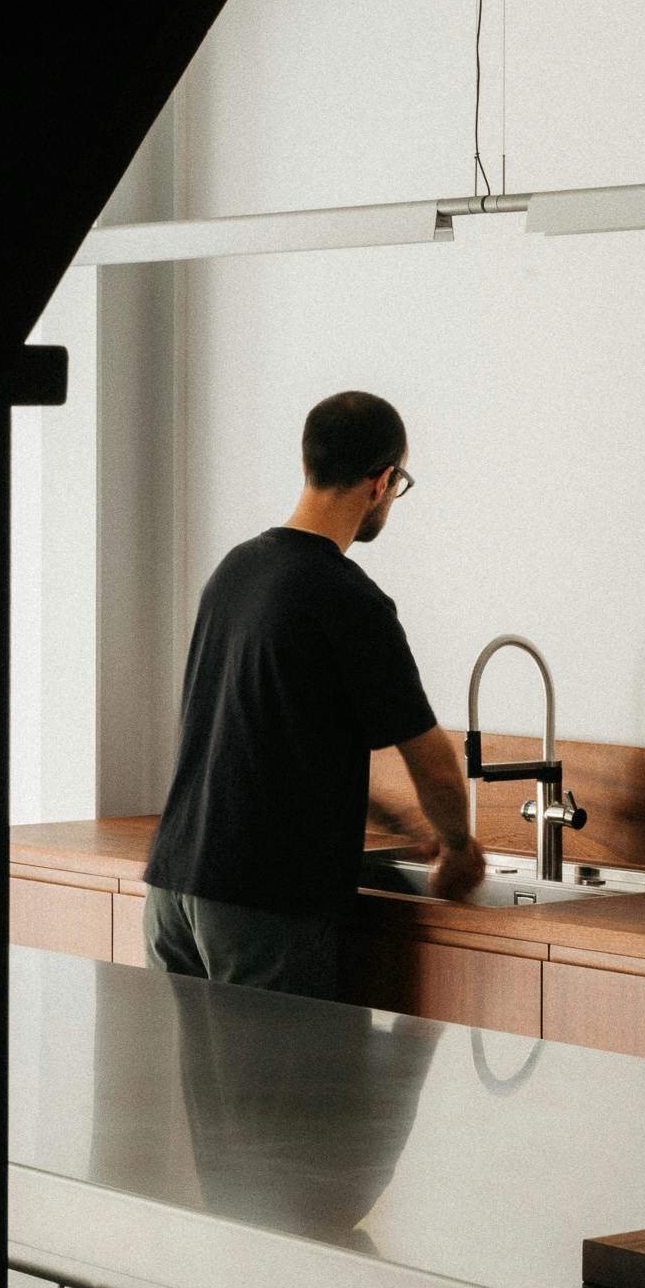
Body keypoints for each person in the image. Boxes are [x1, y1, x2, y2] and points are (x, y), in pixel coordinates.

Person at [142, 390, 485, 999]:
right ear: (382, 482)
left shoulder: (235, 571)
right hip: (261, 902)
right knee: (281, 1096)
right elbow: (433, 764)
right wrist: (458, 845)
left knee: (198, 1097)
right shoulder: (348, 600)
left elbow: (260, 734)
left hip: (174, 886)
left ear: (307, 466)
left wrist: (389, 816)